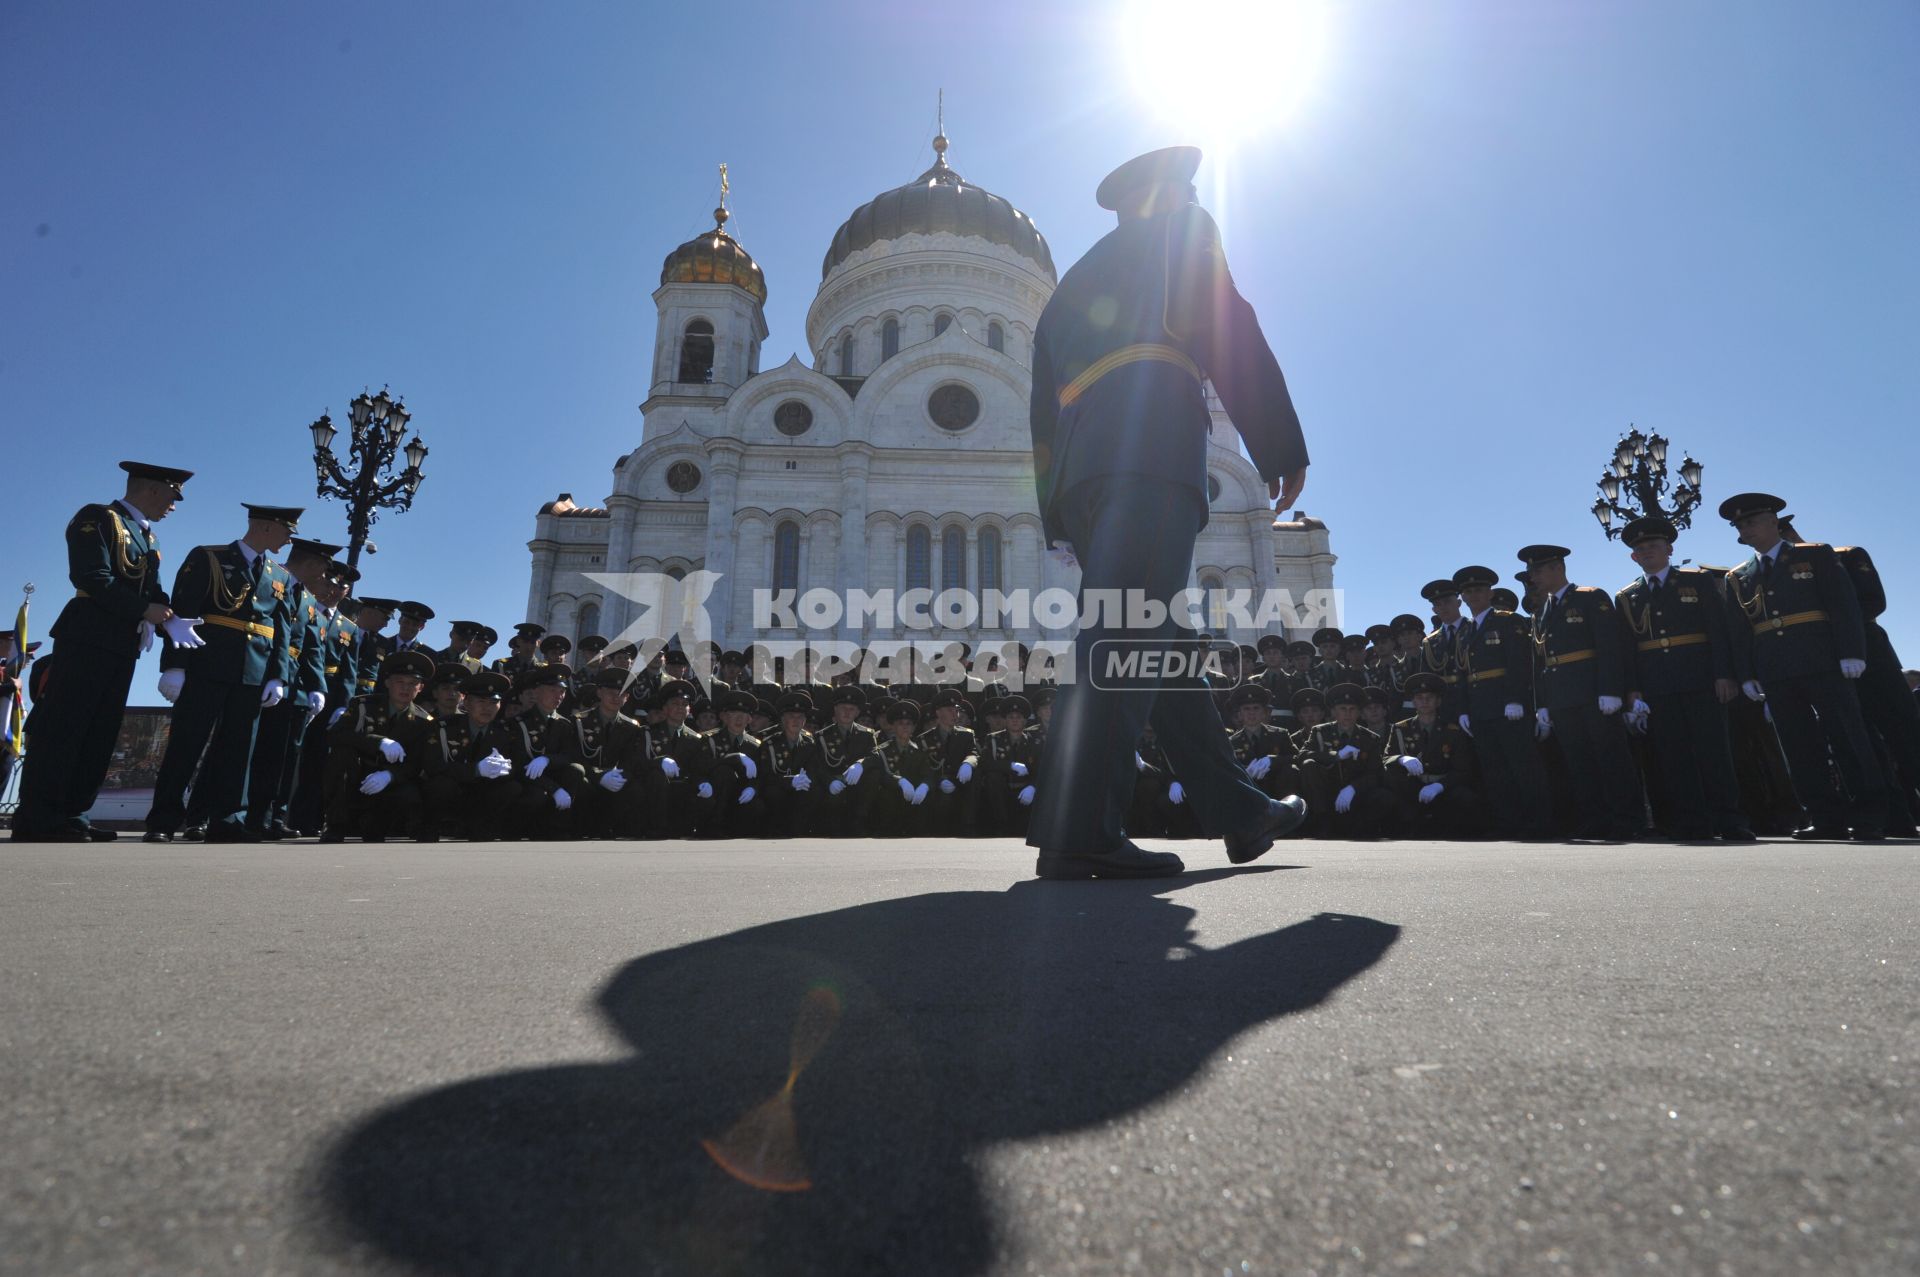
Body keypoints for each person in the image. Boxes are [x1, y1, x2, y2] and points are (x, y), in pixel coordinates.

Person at [1024, 144, 1308, 879]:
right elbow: (1224, 322)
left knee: (1162, 644)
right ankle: (1080, 830)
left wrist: (1058, 512)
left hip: (1087, 477)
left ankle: (1240, 811)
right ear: (1171, 193)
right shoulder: (1182, 230)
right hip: (1151, 449)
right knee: (1125, 637)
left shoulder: (1067, 288)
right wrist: (1276, 440)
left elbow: (1040, 412)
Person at [12, 461, 190, 842]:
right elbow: (91, 576)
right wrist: (145, 610)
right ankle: (39, 816)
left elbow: (152, 590)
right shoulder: (98, 518)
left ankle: (73, 813)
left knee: (100, 731)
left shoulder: (149, 538)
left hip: (123, 644)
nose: (173, 506)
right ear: (153, 490)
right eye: (172, 497)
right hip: (88, 635)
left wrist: (169, 618)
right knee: (65, 726)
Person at [1719, 493, 1884, 840]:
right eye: (1739, 525)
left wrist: (1851, 651)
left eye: (1751, 521)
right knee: (1798, 745)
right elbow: (1740, 631)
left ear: (1772, 521)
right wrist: (1747, 674)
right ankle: (1824, 817)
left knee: (1847, 738)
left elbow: (1843, 605)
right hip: (1776, 670)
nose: (1745, 529)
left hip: (1822, 661)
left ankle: (1869, 815)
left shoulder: (1815, 554)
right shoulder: (1739, 576)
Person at [144, 503, 302, 843]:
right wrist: (175, 666)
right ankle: (163, 820)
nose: (289, 539)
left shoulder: (281, 576)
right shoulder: (208, 557)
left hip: (253, 671)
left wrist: (279, 676)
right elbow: (184, 613)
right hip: (206, 664)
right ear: (265, 527)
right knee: (187, 743)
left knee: (239, 749)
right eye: (286, 531)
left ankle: (228, 818)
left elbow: (281, 628)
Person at [1613, 515, 1753, 842]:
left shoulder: (1698, 581)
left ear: (1669, 549)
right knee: (1674, 758)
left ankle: (1730, 820)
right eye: (1641, 549)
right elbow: (1627, 649)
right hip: (1657, 686)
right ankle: (1693, 822)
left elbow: (1718, 630)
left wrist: (1724, 674)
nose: (1647, 552)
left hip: (1701, 679)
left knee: (1714, 753)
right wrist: (1633, 691)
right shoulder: (1627, 596)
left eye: (1653, 546)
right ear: (1633, 557)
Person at [1519, 544, 1643, 840]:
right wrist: (1544, 703)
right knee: (1580, 762)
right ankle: (1596, 818)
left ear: (1558, 568)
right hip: (1562, 698)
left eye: (1538, 570)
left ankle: (1628, 818)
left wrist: (1611, 689)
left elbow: (1610, 647)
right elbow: (1541, 660)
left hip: (1593, 693)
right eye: (1531, 572)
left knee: (1611, 758)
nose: (1533, 577)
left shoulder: (1590, 598)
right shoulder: (1541, 612)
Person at [1452, 564, 1552, 840]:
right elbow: (1462, 672)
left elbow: (1520, 662)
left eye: (1479, 590)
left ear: (1489, 593)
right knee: (1494, 770)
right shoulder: (1464, 631)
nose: (1474, 595)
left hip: (1508, 707)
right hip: (1480, 708)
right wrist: (1463, 710)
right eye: (1469, 591)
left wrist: (1515, 698)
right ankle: (1508, 822)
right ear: (1463, 598)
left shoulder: (1508, 621)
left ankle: (1539, 822)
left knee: (1523, 766)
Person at [320, 648, 437, 842]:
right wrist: (378, 741)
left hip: (390, 783)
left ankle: (392, 825)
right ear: (387, 683)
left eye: (412, 684)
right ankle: (335, 825)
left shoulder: (424, 721)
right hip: (357, 775)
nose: (405, 688)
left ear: (421, 688)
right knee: (341, 755)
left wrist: (390, 775)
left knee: (404, 802)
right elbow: (335, 735)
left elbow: (418, 763)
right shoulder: (363, 705)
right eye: (400, 681)